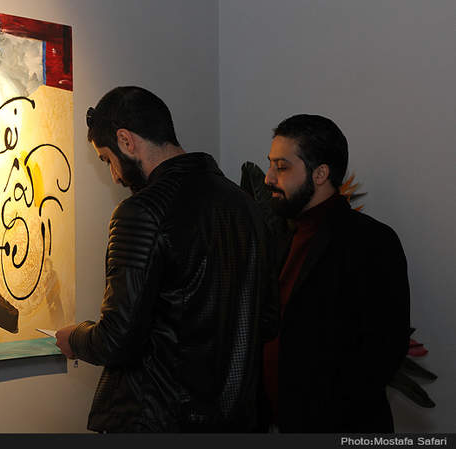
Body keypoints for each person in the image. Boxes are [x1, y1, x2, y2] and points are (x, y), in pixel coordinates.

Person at [55, 86, 277, 432]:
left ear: (126, 141)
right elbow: (268, 319)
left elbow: (116, 339)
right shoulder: (246, 205)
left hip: (158, 419)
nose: (114, 175)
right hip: (235, 421)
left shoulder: (141, 212)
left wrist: (75, 338)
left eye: (107, 160)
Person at [262, 114, 410, 432]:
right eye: (270, 165)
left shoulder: (371, 241)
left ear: (320, 174)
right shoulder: (278, 236)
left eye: (282, 167)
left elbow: (384, 350)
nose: (268, 178)